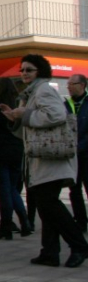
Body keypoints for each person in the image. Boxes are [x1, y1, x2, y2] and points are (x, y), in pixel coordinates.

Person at [1, 54, 88, 268]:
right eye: (22, 70)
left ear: (39, 71)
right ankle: (50, 251)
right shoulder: (30, 94)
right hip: (43, 159)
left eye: (29, 70)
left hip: (52, 160)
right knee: (45, 205)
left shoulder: (43, 90)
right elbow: (30, 131)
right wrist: (16, 118)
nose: (24, 73)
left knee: (49, 204)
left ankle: (79, 245)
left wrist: (26, 114)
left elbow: (56, 115)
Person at [0, 77, 31, 240]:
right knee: (11, 188)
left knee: (3, 190)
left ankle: (6, 225)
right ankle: (25, 222)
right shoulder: (17, 107)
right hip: (16, 151)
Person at [65, 74, 88, 233]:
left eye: (72, 84)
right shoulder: (65, 104)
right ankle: (81, 221)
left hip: (86, 153)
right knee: (74, 189)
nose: (69, 87)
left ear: (82, 85)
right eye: (68, 84)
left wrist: (81, 146)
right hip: (72, 154)